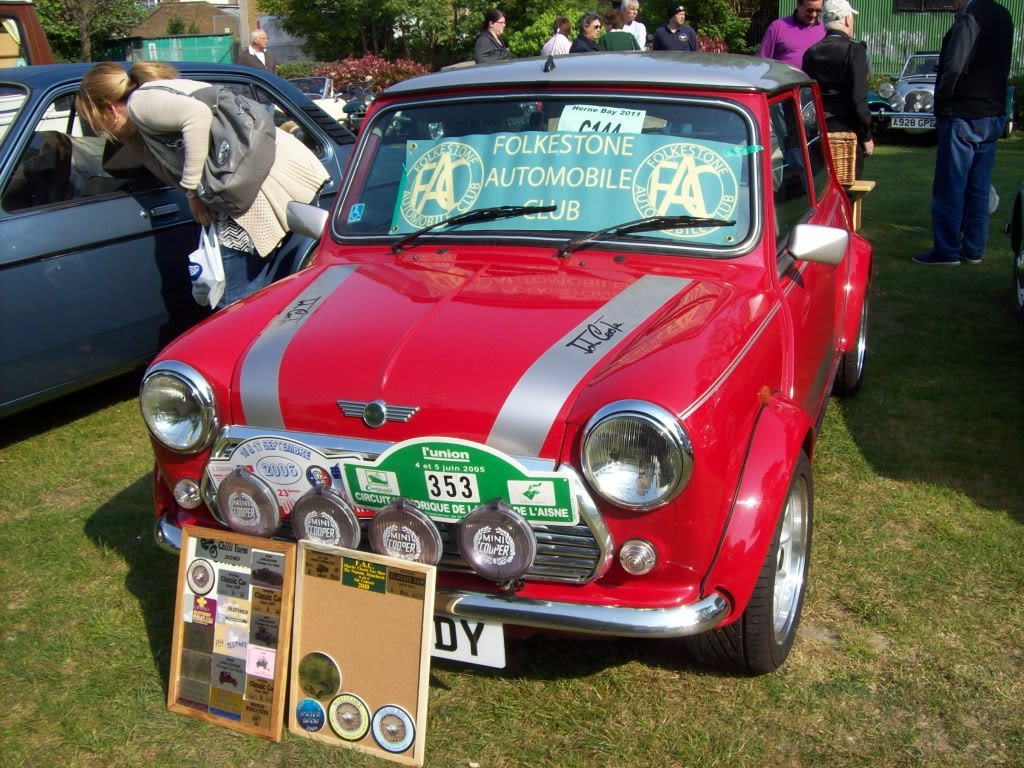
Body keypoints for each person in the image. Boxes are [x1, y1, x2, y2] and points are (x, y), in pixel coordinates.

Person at [76, 62, 329, 305]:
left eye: (93, 120)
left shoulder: (141, 104)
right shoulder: (143, 111)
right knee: (270, 295)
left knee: (235, 302)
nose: (97, 130)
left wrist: (191, 193)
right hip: (260, 179)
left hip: (257, 187)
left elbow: (196, 116)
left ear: (109, 108)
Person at [913, 0, 1012, 266]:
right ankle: (974, 249)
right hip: (993, 111)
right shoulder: (1003, 14)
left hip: (963, 111)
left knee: (950, 185)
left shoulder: (970, 15)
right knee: (978, 188)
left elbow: (955, 64)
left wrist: (943, 99)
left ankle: (947, 250)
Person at [801, 0, 873, 178]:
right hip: (846, 131)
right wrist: (866, 136)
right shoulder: (854, 51)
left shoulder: (811, 52)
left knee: (821, 184)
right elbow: (858, 99)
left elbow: (806, 95)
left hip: (818, 129)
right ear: (848, 20)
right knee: (847, 185)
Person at [758, 0, 825, 69]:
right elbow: (763, 62)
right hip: (784, 79)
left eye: (818, 10)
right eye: (809, 10)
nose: (814, 15)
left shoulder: (825, 29)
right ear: (798, 4)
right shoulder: (777, 27)